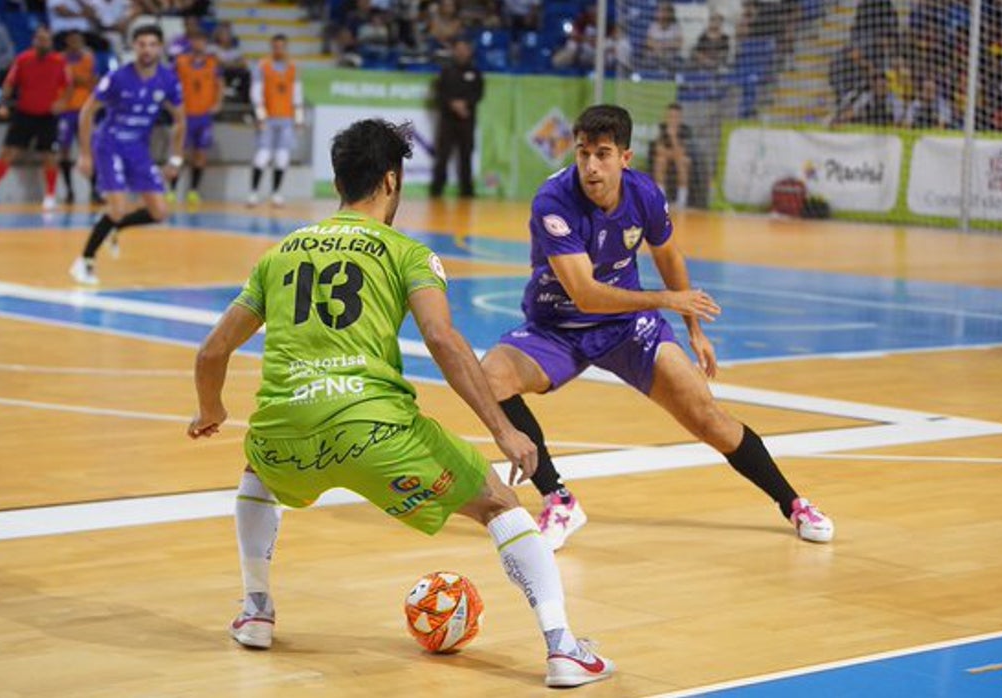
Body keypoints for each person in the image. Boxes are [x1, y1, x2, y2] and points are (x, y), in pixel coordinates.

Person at [187, 118, 615, 688]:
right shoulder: (407, 253)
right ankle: (563, 647)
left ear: (339, 180)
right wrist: (503, 429)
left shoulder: (279, 255)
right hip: (376, 435)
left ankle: (257, 610)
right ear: (391, 181)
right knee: (497, 503)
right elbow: (443, 340)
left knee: (257, 470)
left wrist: (210, 410)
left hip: (285, 432)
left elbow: (213, 351)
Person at [478, 105, 834, 551]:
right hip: (558, 324)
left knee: (709, 419)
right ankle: (559, 499)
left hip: (627, 326)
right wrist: (666, 299)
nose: (590, 165)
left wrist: (694, 331)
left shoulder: (644, 194)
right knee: (492, 375)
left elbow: (668, 256)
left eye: (602, 154)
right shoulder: (553, 201)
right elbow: (586, 294)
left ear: (624, 158)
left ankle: (794, 504)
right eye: (583, 152)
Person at [68, 24, 185, 285]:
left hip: (138, 149)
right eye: (141, 44)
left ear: (160, 48)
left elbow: (180, 120)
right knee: (118, 207)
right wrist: (85, 155)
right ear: (134, 47)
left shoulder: (168, 80)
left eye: (152, 44)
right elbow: (87, 112)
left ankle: (114, 227)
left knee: (159, 212)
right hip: (109, 145)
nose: (147, 49)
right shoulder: (118, 77)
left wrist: (176, 158)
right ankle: (85, 261)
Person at [0, 27, 68, 210]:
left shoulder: (59, 62)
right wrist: (3, 104)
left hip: (48, 116)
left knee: (50, 155)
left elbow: (68, 86)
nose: (42, 42)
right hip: (24, 113)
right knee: (7, 152)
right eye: (39, 39)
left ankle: (50, 196)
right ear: (34, 41)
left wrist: (62, 102)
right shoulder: (23, 59)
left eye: (46, 40)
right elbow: (9, 83)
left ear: (51, 42)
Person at [246, 34, 303, 208]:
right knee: (262, 156)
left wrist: (299, 118)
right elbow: (255, 93)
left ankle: (276, 193)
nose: (279, 49)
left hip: (286, 118)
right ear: (272, 47)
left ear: (286, 47)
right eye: (276, 46)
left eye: (282, 46)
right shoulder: (263, 66)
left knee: (282, 158)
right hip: (268, 118)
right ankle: (254, 193)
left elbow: (297, 93)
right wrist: (260, 116)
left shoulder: (293, 68)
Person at [171, 29, 223, 205]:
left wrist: (218, 102)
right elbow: (170, 83)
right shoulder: (180, 62)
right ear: (190, 42)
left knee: (200, 154)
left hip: (204, 116)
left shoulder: (213, 63)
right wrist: (173, 105)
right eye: (195, 39)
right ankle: (171, 189)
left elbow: (220, 84)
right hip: (184, 116)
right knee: (179, 153)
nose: (198, 44)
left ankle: (193, 190)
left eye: (202, 40)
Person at [428, 37, 482, 198]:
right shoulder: (446, 71)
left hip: (467, 119)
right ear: (454, 52)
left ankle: (467, 190)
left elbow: (478, 94)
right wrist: (453, 104)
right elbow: (440, 93)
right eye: (458, 49)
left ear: (469, 51)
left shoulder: (475, 72)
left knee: (466, 154)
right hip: (448, 120)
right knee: (443, 155)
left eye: (464, 49)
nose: (461, 52)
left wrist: (465, 104)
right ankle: (437, 189)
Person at [56, 30, 99, 205]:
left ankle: (95, 190)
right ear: (67, 42)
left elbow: (93, 82)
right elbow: (59, 81)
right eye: (73, 40)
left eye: (79, 41)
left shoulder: (89, 58)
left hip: (84, 110)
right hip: (65, 110)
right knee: (63, 150)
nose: (76, 44)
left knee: (89, 150)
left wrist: (76, 79)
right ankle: (69, 191)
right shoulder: (58, 59)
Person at [651, 102, 692, 209]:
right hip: (666, 158)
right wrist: (671, 154)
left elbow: (682, 152)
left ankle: (681, 201)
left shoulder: (685, 130)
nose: (672, 119)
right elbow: (658, 150)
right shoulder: (661, 128)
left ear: (680, 118)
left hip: (680, 159)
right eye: (670, 116)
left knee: (682, 161)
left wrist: (673, 136)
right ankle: (661, 199)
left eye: (675, 117)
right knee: (660, 160)